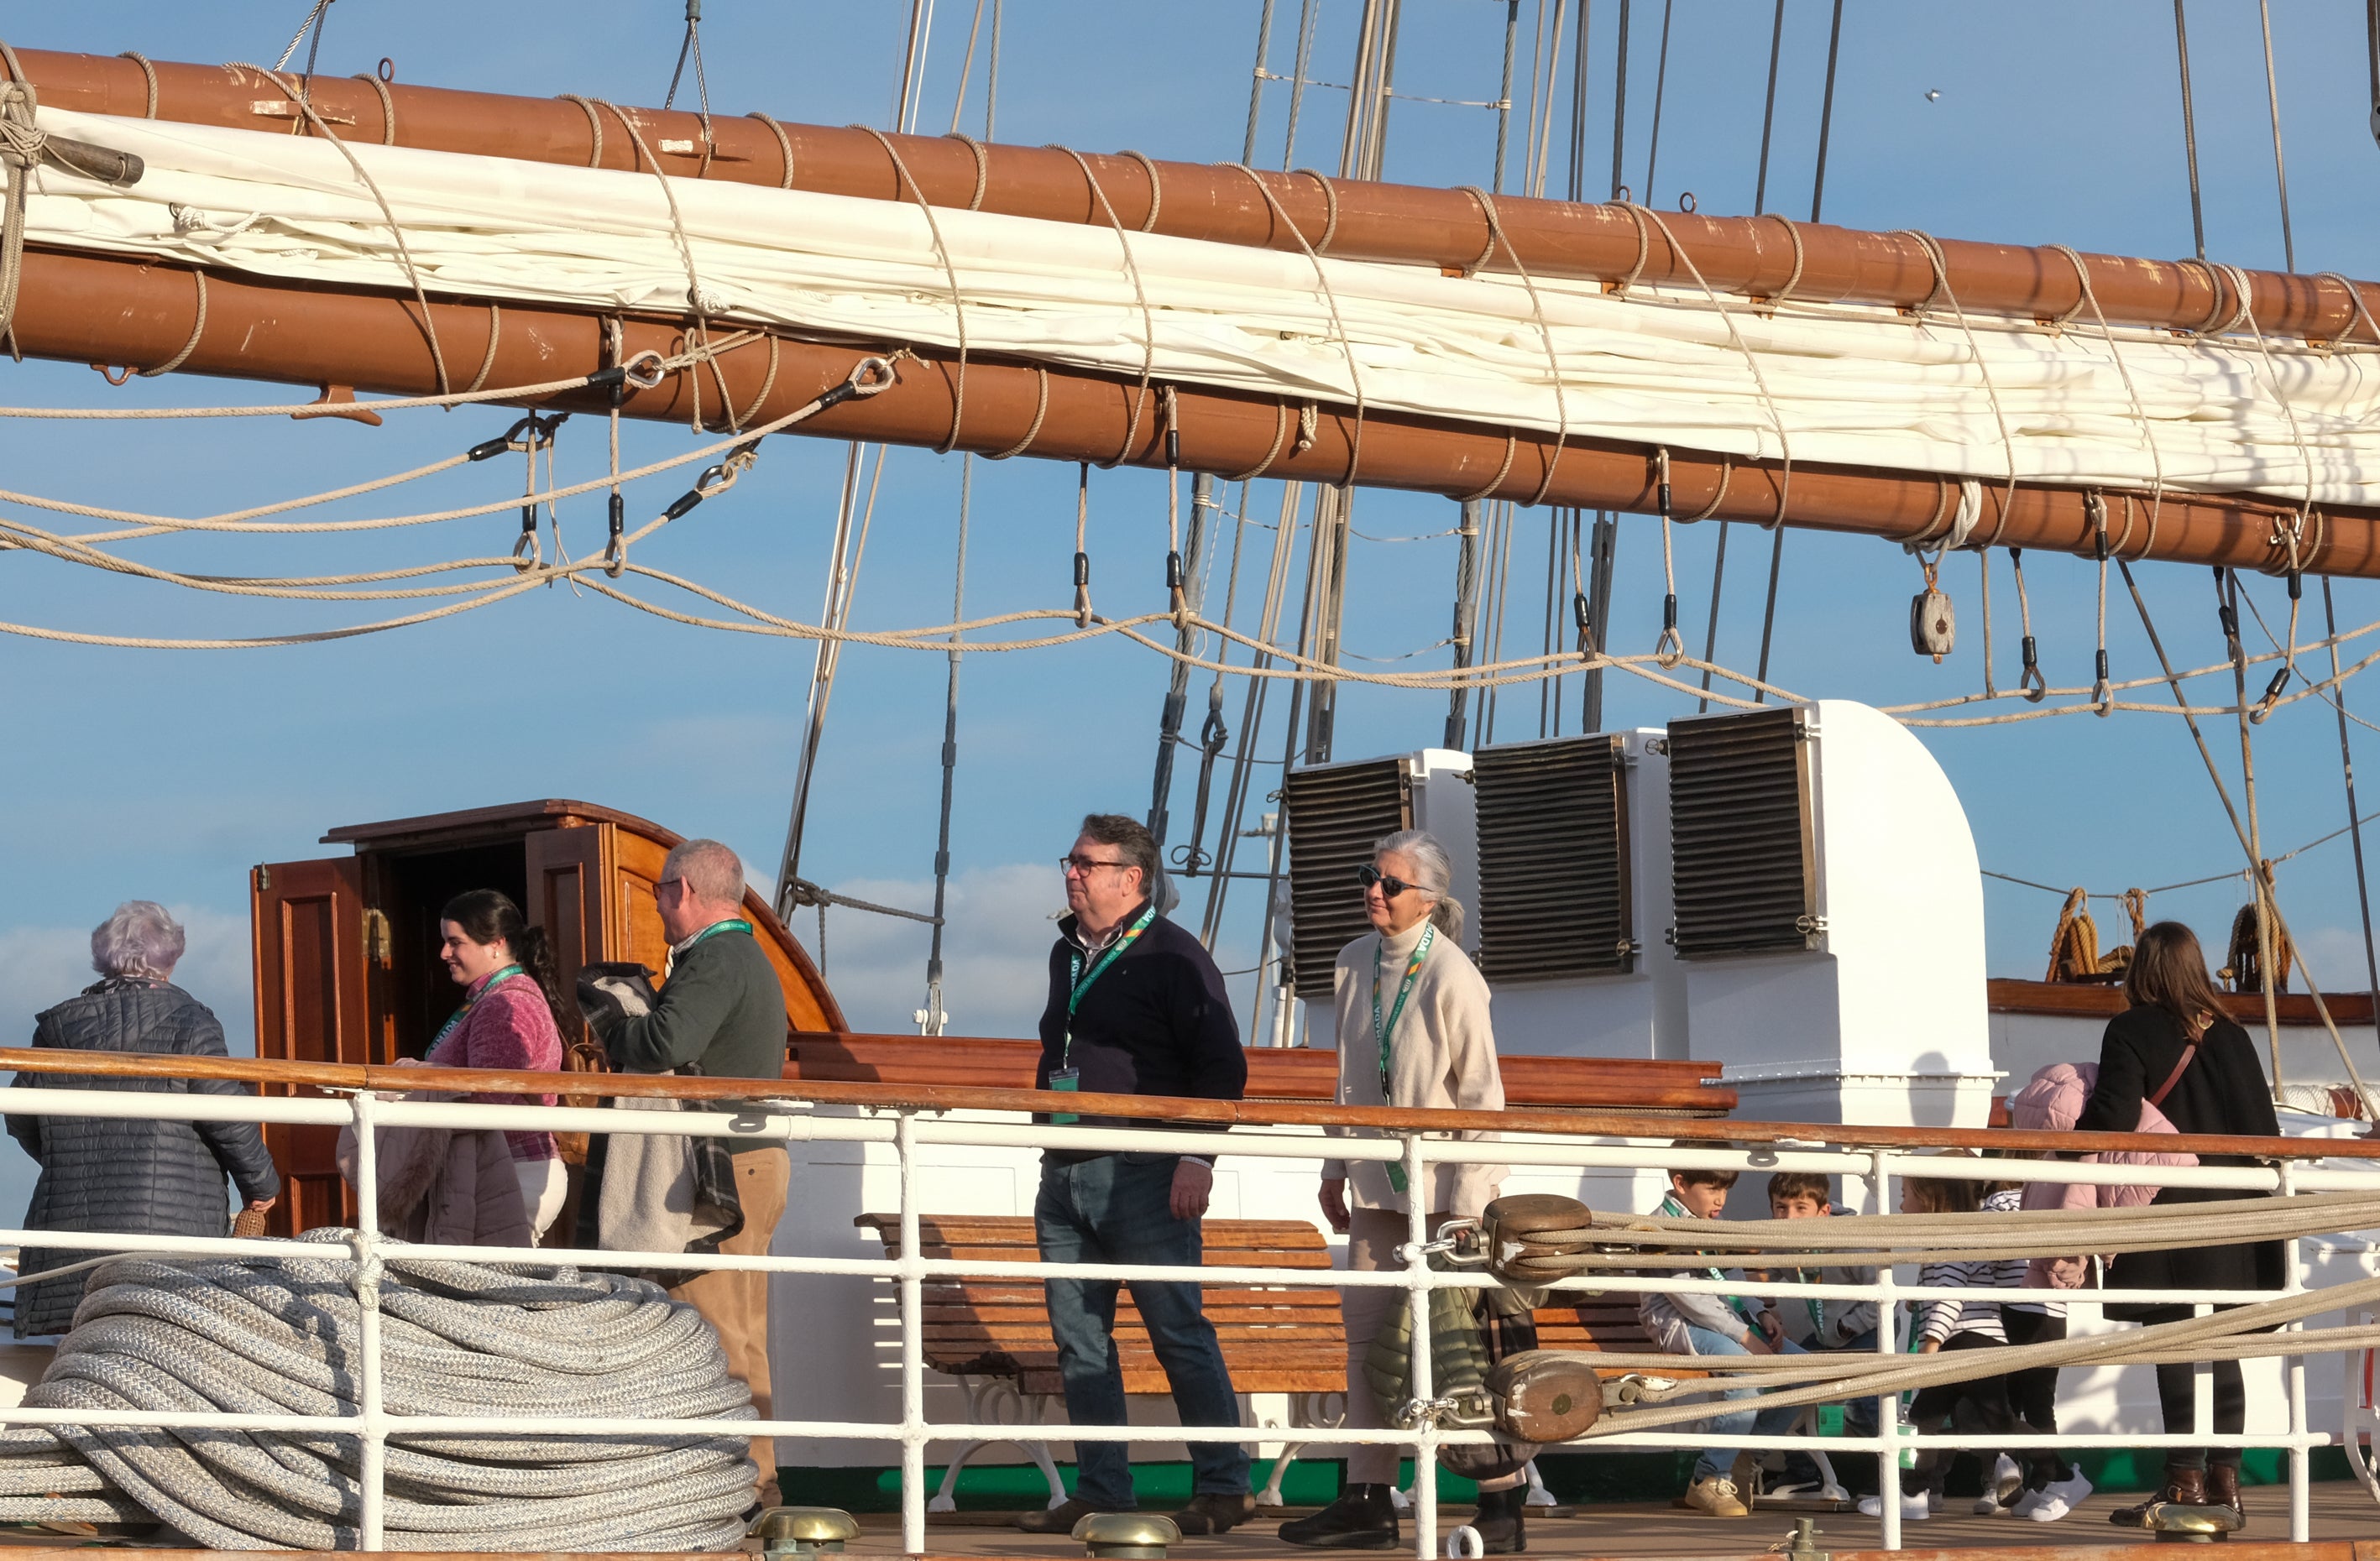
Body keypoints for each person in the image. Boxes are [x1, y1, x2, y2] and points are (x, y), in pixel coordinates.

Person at [1018, 814, 1253, 1538]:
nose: (1072, 874)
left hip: (1145, 1174)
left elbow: (1221, 1067)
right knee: (1078, 1339)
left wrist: (1196, 1158)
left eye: (1087, 864)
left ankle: (1222, 1487)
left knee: (1177, 1330)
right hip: (1066, 1171)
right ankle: (1102, 1490)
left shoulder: (1175, 957)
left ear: (1132, 878)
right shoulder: (1068, 954)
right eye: (1071, 861)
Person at [1279, 830, 1514, 1553]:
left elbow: (1482, 1099)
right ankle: (1366, 1497)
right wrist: (1332, 1169)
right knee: (1365, 1345)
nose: (1373, 891)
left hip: (1445, 1199)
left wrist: (1471, 1215)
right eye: (1368, 877)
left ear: (1429, 899)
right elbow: (1346, 1077)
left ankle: (1502, 1510)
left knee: (1458, 1348)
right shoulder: (1353, 962)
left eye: (1389, 882)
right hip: (1377, 1191)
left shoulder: (1453, 976)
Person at [584, 838, 790, 1508]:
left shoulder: (715, 958)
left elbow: (666, 1045)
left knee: (718, 1331)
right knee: (741, 1330)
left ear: (682, 891)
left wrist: (613, 1019)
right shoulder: (744, 956)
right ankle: (751, 1482)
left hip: (720, 1171)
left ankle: (749, 1489)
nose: (658, 905)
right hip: (751, 1160)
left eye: (658, 893)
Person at [2077, 921, 2283, 1530]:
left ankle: (2182, 1483)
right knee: (2223, 1344)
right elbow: (2261, 1134)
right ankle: (2226, 1485)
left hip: (2166, 1209)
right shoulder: (2233, 1036)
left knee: (2173, 1340)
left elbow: (2112, 1117)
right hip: (2234, 1212)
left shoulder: (2130, 1029)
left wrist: (2060, 1141)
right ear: (2194, 967)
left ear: (2141, 969)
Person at [8, 902, 279, 1337]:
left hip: (67, 1240)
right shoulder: (192, 1024)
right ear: (171, 958)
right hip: (168, 1242)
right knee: (157, 1347)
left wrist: (69, 1156)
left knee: (75, 1355)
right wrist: (262, 1186)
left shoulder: (55, 1030)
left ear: (104, 958)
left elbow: (21, 1118)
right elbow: (229, 1116)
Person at [2005, 1058, 2192, 1522]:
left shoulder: (2073, 1152)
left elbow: (2072, 1208)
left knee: (2028, 1400)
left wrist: (2063, 1266)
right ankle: (2042, 1478)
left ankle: (2060, 1477)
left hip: (2040, 1299)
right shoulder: (2074, 1143)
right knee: (2020, 1398)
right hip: (2030, 1297)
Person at [1640, 1153, 1804, 1519]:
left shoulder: (1710, 1223)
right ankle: (1709, 1478)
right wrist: (1748, 1338)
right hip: (1680, 1326)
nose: (1721, 1199)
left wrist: (1760, 1313)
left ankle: (1741, 1454)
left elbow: (1731, 1279)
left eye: (1726, 1188)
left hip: (1733, 1320)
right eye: (1712, 1188)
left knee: (1804, 1375)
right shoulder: (1659, 1230)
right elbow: (1690, 1301)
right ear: (1681, 1184)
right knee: (1744, 1376)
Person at [1860, 1156, 2022, 1523]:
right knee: (1992, 1417)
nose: (1901, 1204)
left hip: (1961, 1341)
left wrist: (1930, 1346)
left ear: (1930, 1198)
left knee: (1924, 1419)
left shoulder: (1944, 1242)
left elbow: (1950, 1294)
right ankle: (2019, 1466)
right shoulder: (1959, 1236)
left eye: (1905, 1194)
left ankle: (1915, 1494)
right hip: (1987, 1340)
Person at [421, 890, 567, 1240]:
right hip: (507, 1169)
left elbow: (489, 1102)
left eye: (455, 942)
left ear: (496, 945)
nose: (444, 953)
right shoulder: (498, 998)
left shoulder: (505, 1005)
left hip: (512, 1171)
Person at [1758, 1172, 1879, 1498]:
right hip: (1826, 1336)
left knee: (1862, 1404)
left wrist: (1849, 1325)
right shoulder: (1782, 1241)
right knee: (1793, 1388)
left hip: (1864, 1332)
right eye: (1780, 1208)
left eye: (1800, 1208)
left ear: (1823, 1212)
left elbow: (1882, 1292)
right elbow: (1762, 1273)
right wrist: (1768, 1309)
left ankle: (1892, 1477)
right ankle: (1804, 1474)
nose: (1789, 1217)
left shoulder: (1851, 1241)